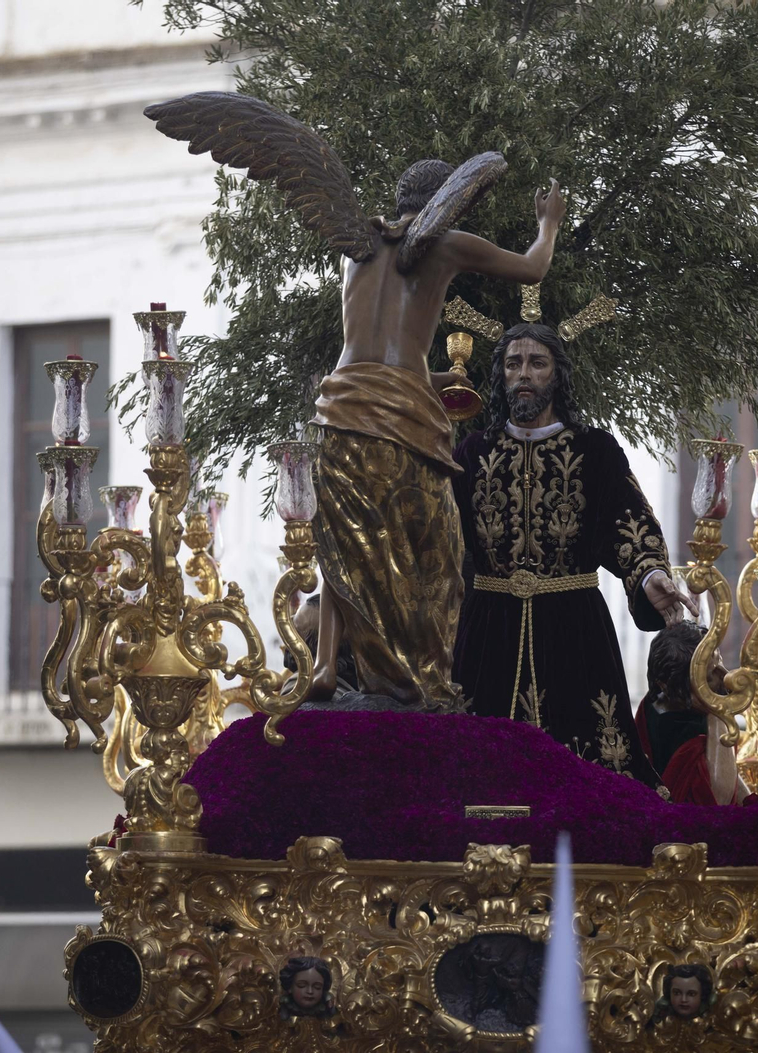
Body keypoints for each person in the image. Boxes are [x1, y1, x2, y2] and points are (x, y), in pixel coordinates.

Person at [147, 92, 564, 711]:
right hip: (400, 416)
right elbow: (533, 269)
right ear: (444, 203)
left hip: (340, 410)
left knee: (347, 545)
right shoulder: (445, 244)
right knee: (433, 549)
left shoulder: (358, 246)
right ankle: (419, 679)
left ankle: (324, 666)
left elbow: (379, 348)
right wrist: (549, 222)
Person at [451, 322, 694, 786]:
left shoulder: (594, 451)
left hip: (573, 628)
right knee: (476, 773)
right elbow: (443, 539)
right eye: (513, 364)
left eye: (537, 363)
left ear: (557, 374)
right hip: (488, 632)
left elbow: (627, 519)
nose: (524, 373)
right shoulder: (473, 451)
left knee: (589, 775)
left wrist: (649, 575)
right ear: (501, 376)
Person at [634, 621, 749, 805]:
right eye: (708, 677)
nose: (725, 676)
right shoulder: (676, 731)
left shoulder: (676, 702)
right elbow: (720, 800)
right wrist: (717, 711)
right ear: (668, 685)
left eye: (720, 661)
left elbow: (738, 788)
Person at [279, 956, 335, 1020]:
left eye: (317, 987)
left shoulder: (326, 1005)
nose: (310, 991)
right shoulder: (285, 1004)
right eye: (302, 985)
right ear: (290, 987)